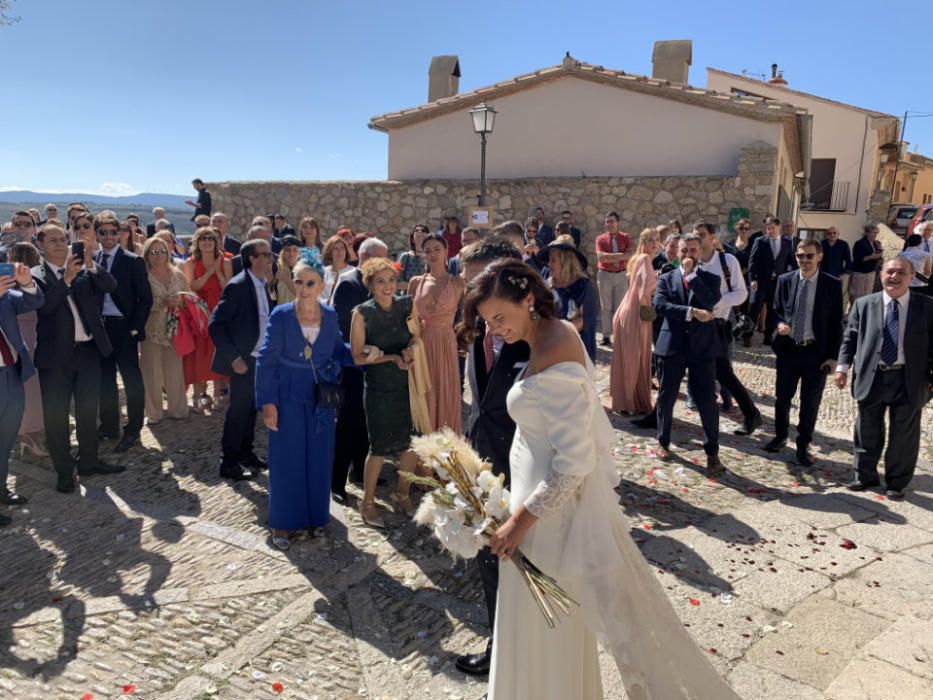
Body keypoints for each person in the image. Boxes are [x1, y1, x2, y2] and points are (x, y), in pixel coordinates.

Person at [460, 259, 740, 700]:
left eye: (500, 317)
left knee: (543, 628)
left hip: (544, 523)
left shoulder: (554, 347)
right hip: (531, 507)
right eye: (486, 321)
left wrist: (519, 522)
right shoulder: (548, 335)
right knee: (533, 623)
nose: (494, 329)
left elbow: (574, 461)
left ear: (528, 301)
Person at [452, 237, 527, 676]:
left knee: (526, 568)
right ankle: (501, 649)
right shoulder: (479, 328)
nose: (469, 293)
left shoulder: (536, 340)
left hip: (525, 474)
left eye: (476, 282)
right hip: (484, 469)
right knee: (490, 567)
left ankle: (527, 655)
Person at [257, 250, 353, 550]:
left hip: (320, 397)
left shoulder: (330, 315)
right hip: (287, 394)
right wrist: (267, 403)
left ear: (321, 286)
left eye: (310, 283)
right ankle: (284, 523)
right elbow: (266, 360)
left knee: (319, 457)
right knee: (287, 458)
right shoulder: (281, 315)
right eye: (299, 282)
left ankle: (316, 517)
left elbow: (339, 351)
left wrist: (367, 354)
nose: (304, 288)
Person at [32, 225, 126, 493]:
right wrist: (66, 280)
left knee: (87, 411)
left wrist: (90, 265)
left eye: (63, 239)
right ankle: (64, 471)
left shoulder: (84, 268)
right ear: (40, 245)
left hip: (87, 352)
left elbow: (111, 285)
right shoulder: (36, 276)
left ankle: (88, 461)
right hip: (55, 359)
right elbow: (44, 306)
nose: (61, 244)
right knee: (56, 418)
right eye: (53, 240)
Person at [836, 257, 933, 500]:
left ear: (912, 277)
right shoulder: (864, 304)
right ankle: (864, 475)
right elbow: (850, 338)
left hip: (909, 379)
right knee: (866, 429)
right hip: (873, 376)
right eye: (890, 271)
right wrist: (842, 367)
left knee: (904, 435)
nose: (895, 276)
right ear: (881, 276)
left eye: (901, 272)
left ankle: (896, 483)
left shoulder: (927, 306)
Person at [349, 257, 419, 528]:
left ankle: (402, 493)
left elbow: (416, 335)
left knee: (411, 442)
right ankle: (367, 503)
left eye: (391, 280)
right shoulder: (362, 313)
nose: (387, 286)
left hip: (406, 385)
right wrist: (390, 358)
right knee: (378, 446)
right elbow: (356, 356)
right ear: (370, 285)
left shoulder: (406, 304)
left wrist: (412, 350)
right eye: (381, 281)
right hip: (379, 388)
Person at [762, 239, 844, 465]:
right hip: (789, 350)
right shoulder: (785, 280)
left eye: (809, 256)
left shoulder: (831, 284)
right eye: (800, 256)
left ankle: (803, 444)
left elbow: (837, 323)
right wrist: (779, 325)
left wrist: (833, 356)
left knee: (810, 402)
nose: (804, 260)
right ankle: (779, 436)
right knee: (783, 398)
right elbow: (776, 310)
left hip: (815, 352)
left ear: (819, 257)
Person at [653, 234, 724, 471]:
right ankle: (662, 441)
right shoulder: (666, 277)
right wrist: (692, 312)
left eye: (693, 251)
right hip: (672, 345)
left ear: (700, 252)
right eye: (684, 251)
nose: (688, 255)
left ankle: (712, 451)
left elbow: (711, 301)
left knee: (707, 400)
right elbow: (660, 306)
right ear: (677, 252)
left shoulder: (710, 278)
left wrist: (692, 277)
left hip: (702, 349)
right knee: (667, 395)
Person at [209, 239, 275, 481]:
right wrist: (234, 357)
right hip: (242, 359)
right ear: (252, 259)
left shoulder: (263, 284)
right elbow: (216, 325)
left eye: (270, 255)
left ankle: (246, 453)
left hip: (259, 357)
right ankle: (228, 462)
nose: (270, 259)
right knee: (238, 410)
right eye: (265, 255)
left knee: (250, 409)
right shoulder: (237, 286)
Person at [330, 237, 388, 503]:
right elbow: (340, 330)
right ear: (363, 258)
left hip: (375, 368)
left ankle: (360, 472)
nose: (384, 265)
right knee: (347, 425)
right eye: (379, 258)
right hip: (353, 367)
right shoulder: (348, 285)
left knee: (367, 424)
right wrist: (364, 350)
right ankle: (336, 482)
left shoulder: (380, 286)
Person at [692, 222, 763, 435]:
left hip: (717, 326)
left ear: (713, 237)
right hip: (694, 326)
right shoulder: (692, 263)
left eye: (702, 235)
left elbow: (741, 294)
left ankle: (751, 414)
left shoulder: (726, 261)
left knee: (724, 374)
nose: (698, 239)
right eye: (695, 235)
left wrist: (715, 303)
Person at [94, 212, 153, 453]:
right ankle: (109, 425)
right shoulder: (92, 260)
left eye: (112, 231)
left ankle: (134, 428)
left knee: (131, 379)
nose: (108, 236)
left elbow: (145, 298)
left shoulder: (132, 261)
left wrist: (134, 327)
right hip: (99, 328)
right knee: (104, 380)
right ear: (97, 234)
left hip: (123, 327)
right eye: (103, 232)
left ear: (120, 234)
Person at [409, 233, 465, 433]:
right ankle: (422, 459)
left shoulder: (458, 283)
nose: (432, 254)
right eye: (428, 251)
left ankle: (446, 457)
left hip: (446, 343)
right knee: (424, 397)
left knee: (445, 393)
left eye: (437, 249)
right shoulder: (416, 282)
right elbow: (408, 318)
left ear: (446, 252)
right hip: (421, 344)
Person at [0, 261, 43, 522]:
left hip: (11, 375)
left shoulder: (5, 295)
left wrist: (26, 282)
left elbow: (34, 301)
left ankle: (1, 489)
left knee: (5, 439)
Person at [138, 236, 190, 424]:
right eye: (154, 252)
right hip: (151, 328)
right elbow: (138, 301)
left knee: (175, 370)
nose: (159, 255)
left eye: (162, 251)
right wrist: (160, 303)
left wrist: (180, 302)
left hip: (174, 328)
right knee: (151, 371)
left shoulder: (178, 274)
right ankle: (154, 413)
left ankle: (178, 409)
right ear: (147, 255)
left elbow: (188, 296)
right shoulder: (142, 275)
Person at [609, 228, 660, 414]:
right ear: (643, 242)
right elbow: (647, 286)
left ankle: (627, 402)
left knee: (628, 358)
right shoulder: (644, 259)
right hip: (636, 314)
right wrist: (662, 281)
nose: (655, 243)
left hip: (631, 311)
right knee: (634, 358)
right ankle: (630, 403)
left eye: (657, 239)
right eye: (651, 240)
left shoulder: (638, 259)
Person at [183, 227, 234, 413]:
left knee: (217, 350)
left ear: (216, 242)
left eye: (210, 238)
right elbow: (192, 287)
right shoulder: (190, 262)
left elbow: (228, 288)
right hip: (199, 311)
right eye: (203, 238)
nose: (207, 242)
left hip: (219, 310)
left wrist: (218, 272)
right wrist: (208, 272)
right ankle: (198, 395)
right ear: (197, 242)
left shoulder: (226, 261)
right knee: (199, 353)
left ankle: (219, 393)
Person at [8, 244, 47, 458]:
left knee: (21, 385)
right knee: (32, 386)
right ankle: (30, 435)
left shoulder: (8, 282)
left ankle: (22, 432)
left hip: (15, 334)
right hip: (31, 333)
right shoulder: (35, 280)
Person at [547, 234, 597, 362]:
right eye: (549, 260)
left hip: (576, 350)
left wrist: (559, 333)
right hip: (549, 348)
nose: (549, 264)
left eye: (553, 260)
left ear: (565, 262)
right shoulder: (548, 285)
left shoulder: (582, 286)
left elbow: (585, 319)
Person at [748, 216, 795, 345]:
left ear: (779, 227)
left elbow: (791, 261)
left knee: (773, 310)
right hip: (761, 281)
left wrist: (792, 277)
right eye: (768, 228)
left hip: (777, 282)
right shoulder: (760, 241)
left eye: (772, 228)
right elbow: (752, 263)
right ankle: (748, 334)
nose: (770, 231)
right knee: (755, 309)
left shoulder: (786, 243)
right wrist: (752, 279)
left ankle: (768, 336)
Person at [594, 211, 633, 346]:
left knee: (620, 307)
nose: (609, 224)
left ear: (618, 222)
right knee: (606, 307)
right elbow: (601, 257)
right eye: (607, 221)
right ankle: (605, 336)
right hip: (605, 275)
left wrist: (610, 256)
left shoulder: (625, 237)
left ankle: (619, 335)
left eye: (612, 221)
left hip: (622, 275)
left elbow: (629, 256)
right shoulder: (600, 239)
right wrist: (620, 255)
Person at [849, 224, 884, 307]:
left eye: (877, 233)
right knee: (857, 294)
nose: (876, 235)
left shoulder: (876, 243)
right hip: (860, 273)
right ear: (867, 233)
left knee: (867, 294)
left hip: (871, 272)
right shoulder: (860, 243)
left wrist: (880, 255)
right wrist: (872, 257)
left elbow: (879, 254)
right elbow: (858, 259)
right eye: (874, 232)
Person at [270, 236, 302, 306]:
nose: (291, 254)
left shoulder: (304, 271)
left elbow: (303, 295)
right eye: (288, 250)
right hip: (280, 312)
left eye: (295, 250)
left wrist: (287, 280)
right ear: (282, 253)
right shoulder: (275, 268)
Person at [321, 235, 352, 303]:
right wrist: (326, 302)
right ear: (329, 252)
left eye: (342, 248)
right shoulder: (322, 272)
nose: (339, 251)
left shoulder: (354, 272)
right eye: (335, 248)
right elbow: (315, 296)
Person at [397, 224, 428, 291]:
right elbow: (397, 282)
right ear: (413, 239)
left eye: (423, 230)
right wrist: (417, 286)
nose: (419, 231)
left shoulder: (432, 258)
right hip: (408, 299)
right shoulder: (404, 257)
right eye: (416, 230)